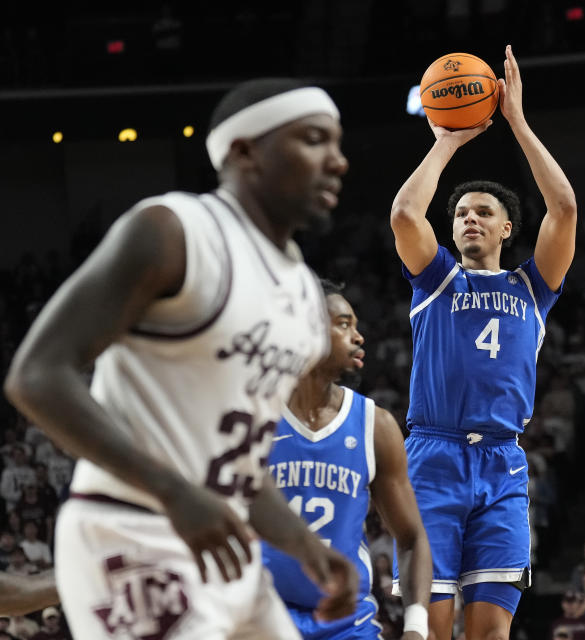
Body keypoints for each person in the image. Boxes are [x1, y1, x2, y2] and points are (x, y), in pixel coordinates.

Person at [4, 77, 359, 638]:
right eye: (314, 140)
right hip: (135, 534)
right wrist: (174, 491)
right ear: (245, 153)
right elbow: (36, 376)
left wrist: (302, 545)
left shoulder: (300, 293)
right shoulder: (175, 232)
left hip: (226, 541)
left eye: (338, 144)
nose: (337, 161)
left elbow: (241, 462)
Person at [388, 44, 577, 640]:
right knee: (433, 629)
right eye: (461, 213)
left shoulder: (533, 287)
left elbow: (566, 207)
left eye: (483, 211)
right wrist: (446, 140)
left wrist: (517, 122)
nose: (470, 218)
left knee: (491, 634)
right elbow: (402, 216)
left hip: (503, 462)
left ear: (507, 227)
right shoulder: (436, 279)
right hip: (434, 458)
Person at [261, 280, 433, 640]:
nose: (358, 337)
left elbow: (412, 537)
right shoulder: (254, 417)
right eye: (343, 324)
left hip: (347, 626)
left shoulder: (376, 426)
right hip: (264, 621)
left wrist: (416, 627)